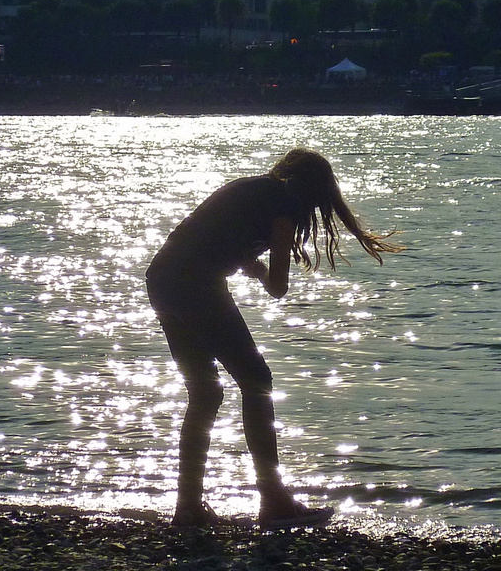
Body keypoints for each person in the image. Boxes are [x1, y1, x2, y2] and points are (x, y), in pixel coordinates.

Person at [145, 148, 401, 530]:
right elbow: (278, 287)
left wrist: (242, 261)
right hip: (195, 284)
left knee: (205, 392)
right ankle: (274, 501)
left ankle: (188, 508)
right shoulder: (285, 206)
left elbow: (208, 237)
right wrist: (259, 269)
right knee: (256, 380)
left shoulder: (249, 189)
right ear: (315, 190)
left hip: (161, 278)